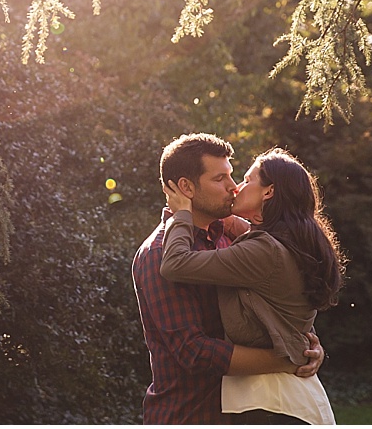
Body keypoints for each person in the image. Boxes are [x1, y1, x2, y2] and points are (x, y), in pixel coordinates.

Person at [132, 133, 326, 424]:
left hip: (247, 410)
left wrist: (307, 344)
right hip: (191, 415)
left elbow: (271, 306)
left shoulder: (229, 240)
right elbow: (193, 352)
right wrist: (285, 358)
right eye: (219, 179)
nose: (233, 188)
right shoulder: (158, 253)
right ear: (186, 187)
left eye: (233, 177)